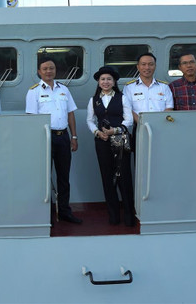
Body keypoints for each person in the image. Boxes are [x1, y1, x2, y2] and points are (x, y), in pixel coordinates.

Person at [26, 57, 81, 224]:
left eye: (51, 68)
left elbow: (70, 114)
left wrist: (74, 136)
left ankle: (64, 211)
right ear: (39, 71)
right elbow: (32, 119)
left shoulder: (63, 90)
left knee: (64, 177)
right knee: (44, 177)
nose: (48, 71)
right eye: (45, 68)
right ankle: (45, 213)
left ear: (55, 70)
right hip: (45, 138)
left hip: (63, 137)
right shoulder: (33, 91)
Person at [86, 66, 135, 226]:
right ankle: (113, 215)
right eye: (102, 79)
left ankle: (129, 216)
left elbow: (128, 119)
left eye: (108, 79)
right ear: (99, 82)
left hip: (121, 141)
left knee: (124, 177)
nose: (105, 82)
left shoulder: (122, 98)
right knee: (107, 178)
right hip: (102, 142)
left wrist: (116, 130)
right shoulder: (93, 100)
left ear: (114, 82)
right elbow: (90, 120)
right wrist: (97, 132)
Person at [123, 52, 174, 126]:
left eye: (151, 64)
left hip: (162, 126)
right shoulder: (129, 87)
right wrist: (141, 123)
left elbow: (169, 107)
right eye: (143, 64)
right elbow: (128, 109)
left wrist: (160, 123)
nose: (147, 67)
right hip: (139, 126)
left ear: (155, 66)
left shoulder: (164, 87)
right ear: (138, 67)